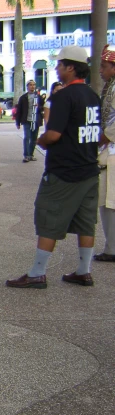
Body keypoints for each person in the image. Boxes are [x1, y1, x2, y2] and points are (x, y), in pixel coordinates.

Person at [6, 46, 101, 289]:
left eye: (59, 65)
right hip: (89, 170)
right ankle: (83, 270)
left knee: (49, 217)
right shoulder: (92, 96)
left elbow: (54, 134)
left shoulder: (62, 97)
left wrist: (40, 140)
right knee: (86, 221)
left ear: (70, 67)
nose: (56, 69)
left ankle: (37, 273)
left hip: (64, 171)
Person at [95, 44, 115, 262]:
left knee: (110, 200)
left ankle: (112, 249)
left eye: (104, 66)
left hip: (111, 150)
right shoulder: (110, 87)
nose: (100, 70)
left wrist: (105, 136)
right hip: (108, 150)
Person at [16, 80, 45, 162]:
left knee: (34, 139)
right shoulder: (23, 97)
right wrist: (18, 122)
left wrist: (38, 106)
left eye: (34, 85)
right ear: (27, 86)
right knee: (27, 137)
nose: (32, 86)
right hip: (27, 120)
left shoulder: (38, 97)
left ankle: (31, 155)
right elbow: (19, 110)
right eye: (30, 85)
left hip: (36, 120)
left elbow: (43, 108)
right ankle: (26, 155)